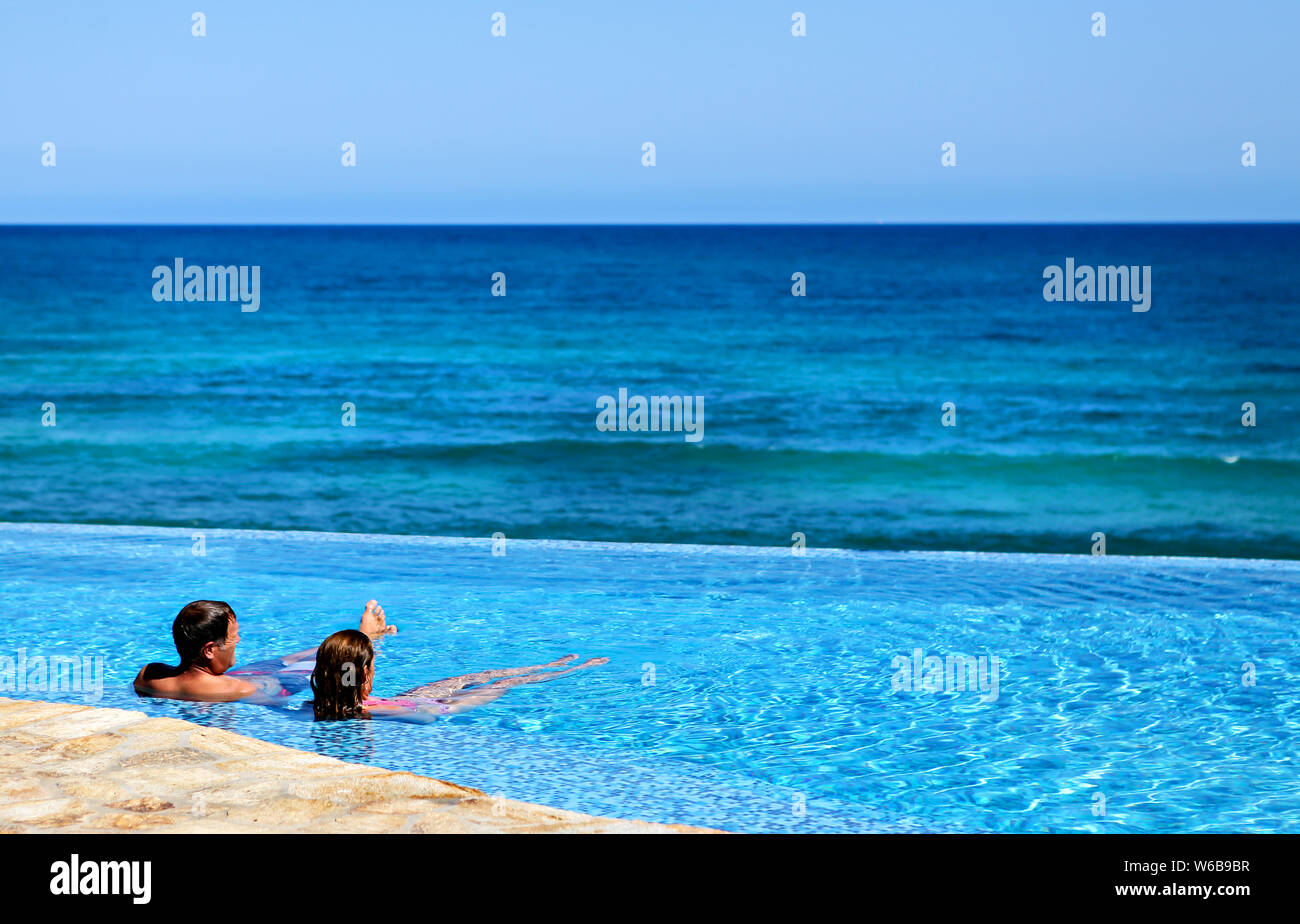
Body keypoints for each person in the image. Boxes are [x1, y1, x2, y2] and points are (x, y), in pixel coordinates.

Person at [134, 599, 396, 704]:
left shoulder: (149, 674)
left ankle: (364, 636)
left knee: (283, 660)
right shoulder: (236, 691)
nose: (239, 639)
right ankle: (364, 638)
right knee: (329, 660)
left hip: (245, 674)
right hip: (277, 685)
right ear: (211, 650)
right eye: (233, 636)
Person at [310, 629, 608, 721]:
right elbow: (428, 717)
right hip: (439, 707)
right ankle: (574, 669)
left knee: (475, 675)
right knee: (503, 684)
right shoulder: (364, 714)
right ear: (364, 674)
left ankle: (551, 665)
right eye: (374, 664)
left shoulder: (320, 705)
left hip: (402, 699)